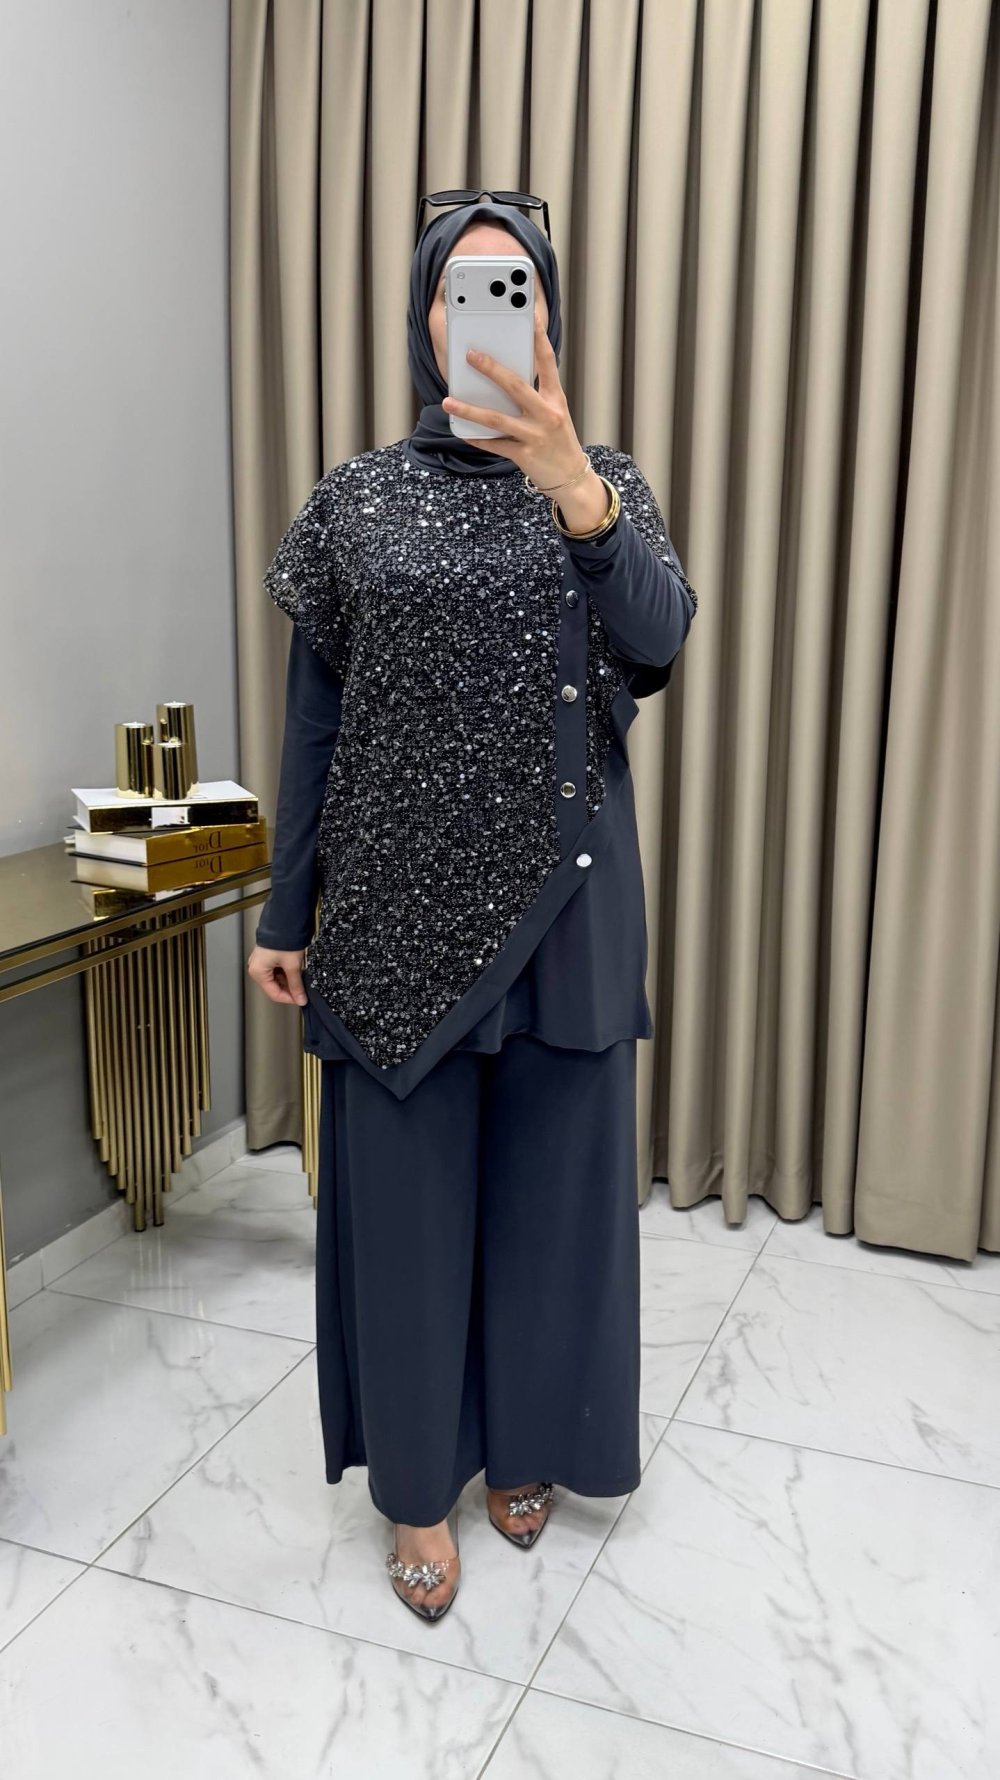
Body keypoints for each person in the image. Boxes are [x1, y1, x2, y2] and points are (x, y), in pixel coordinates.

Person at [247, 196, 697, 1622]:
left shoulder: (602, 483)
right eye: (463, 288)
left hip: (565, 907)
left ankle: (528, 1444)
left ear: (547, 317)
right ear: (426, 320)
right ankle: (414, 1485)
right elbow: (317, 723)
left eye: (516, 288)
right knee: (409, 1214)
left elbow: (661, 638)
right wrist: (285, 910)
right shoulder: (355, 500)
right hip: (390, 911)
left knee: (552, 1206)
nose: (488, 311)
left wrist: (576, 492)